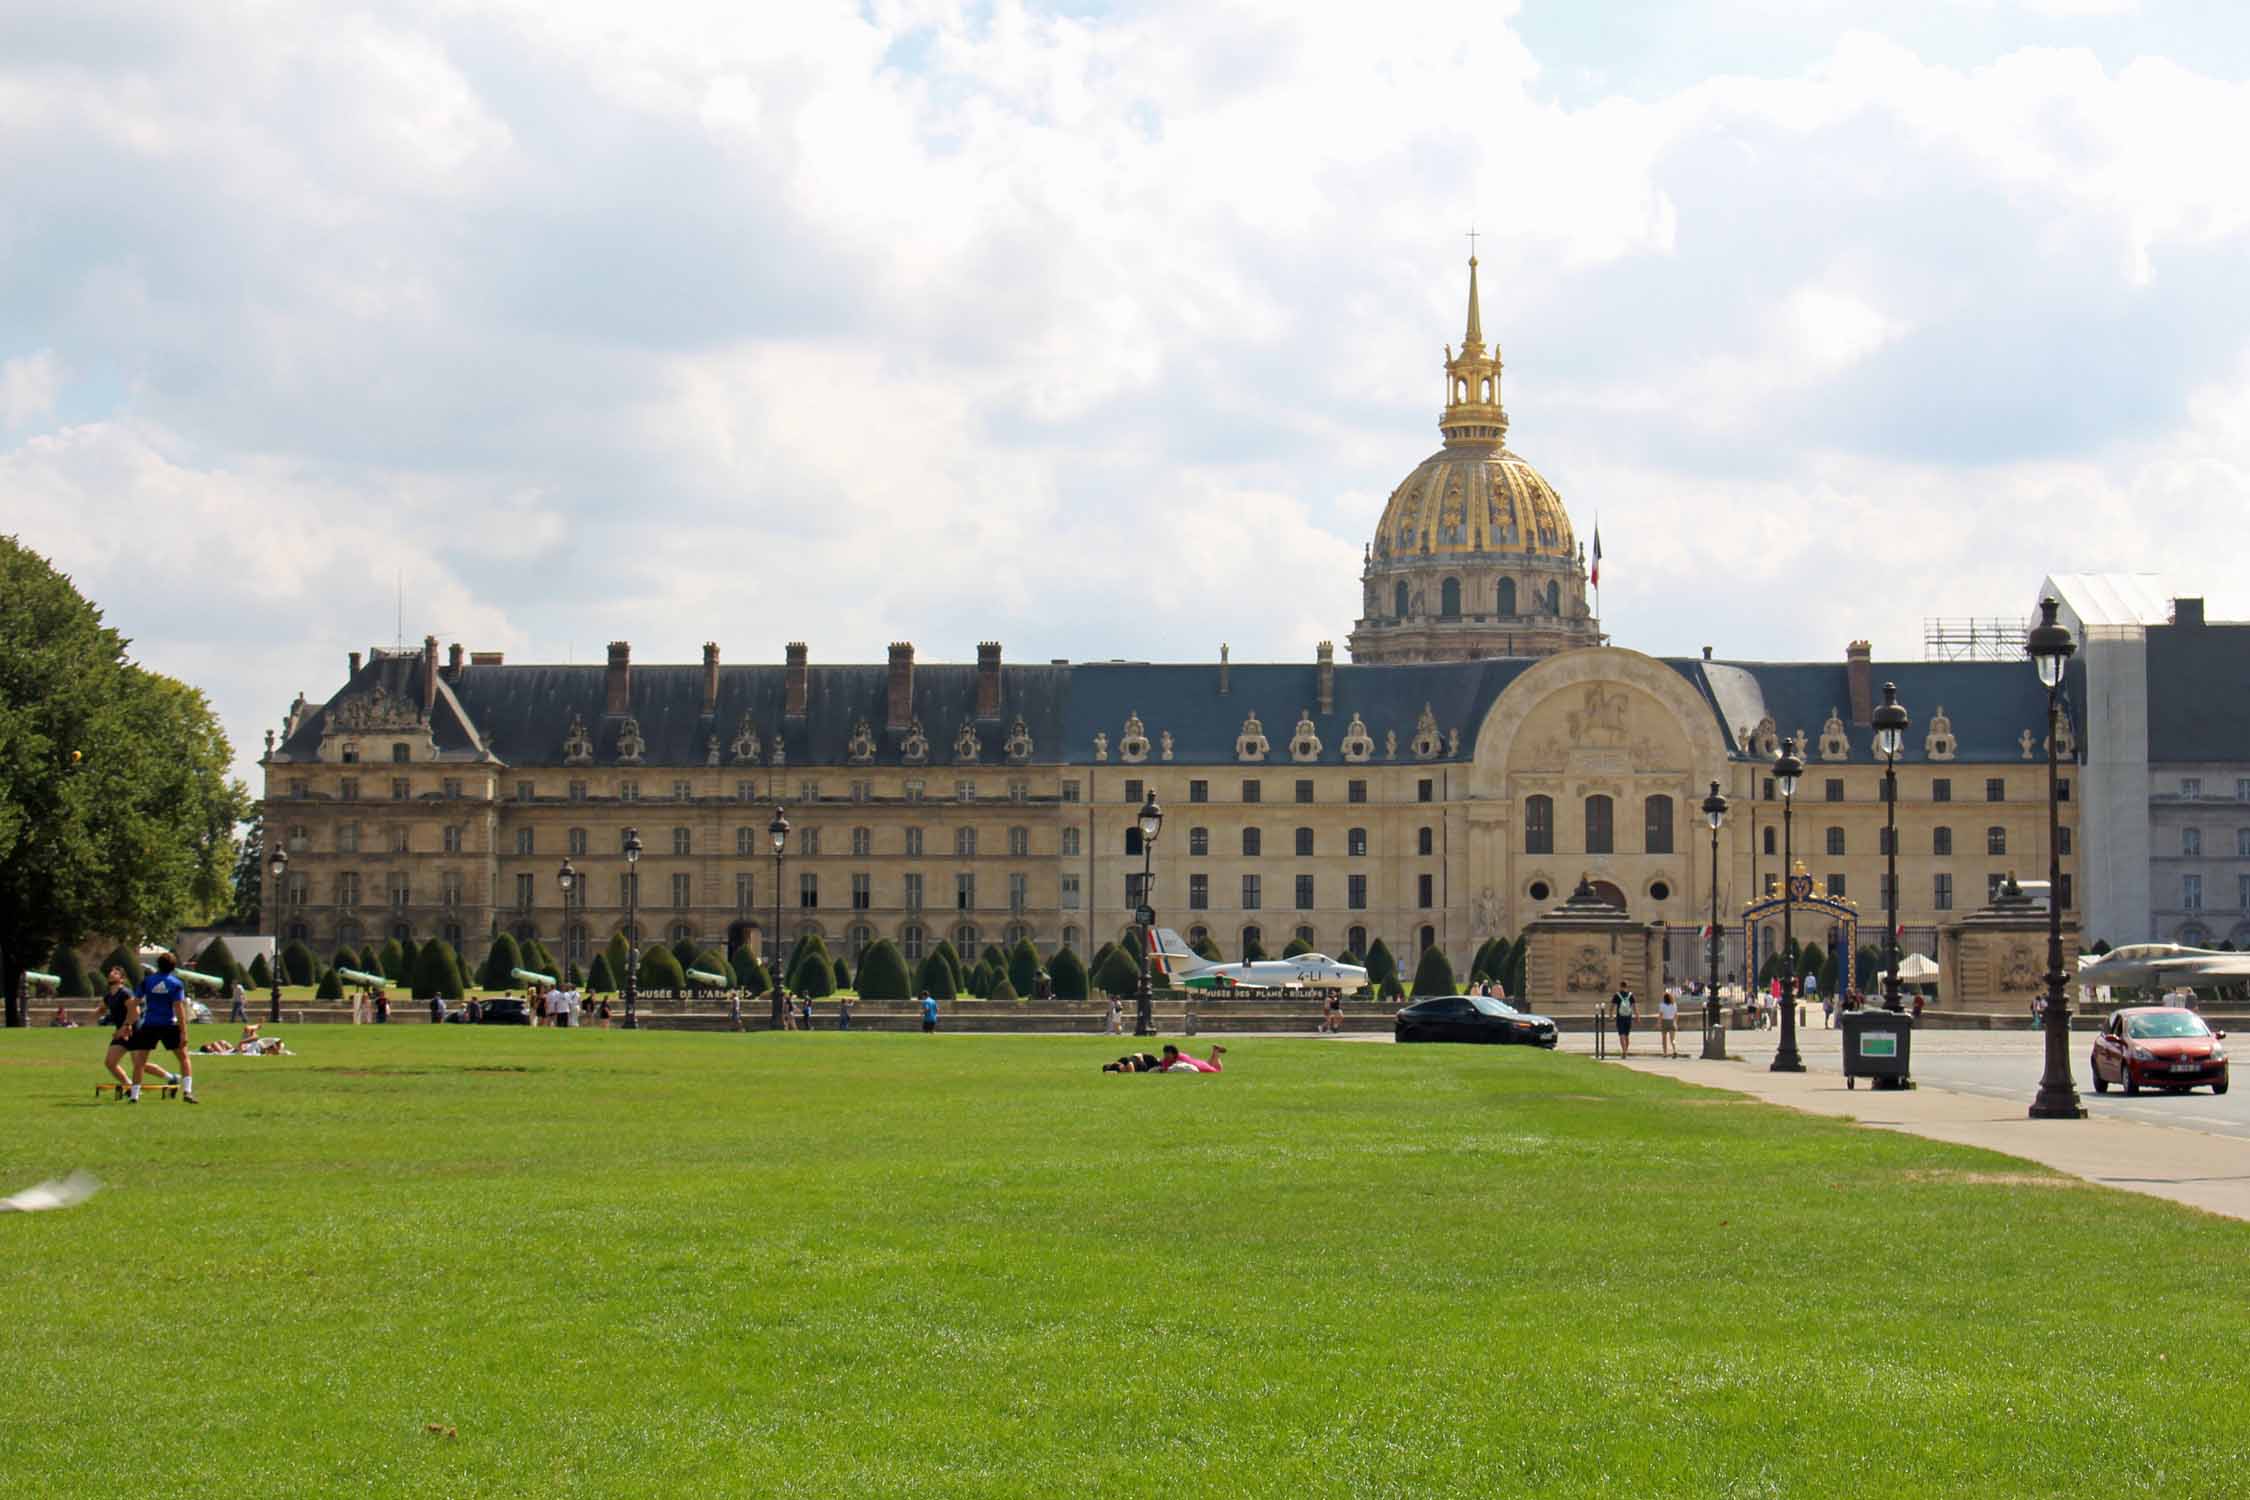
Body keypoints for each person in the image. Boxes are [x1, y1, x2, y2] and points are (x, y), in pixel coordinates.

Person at [128, 953, 197, 1103]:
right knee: (184, 1058)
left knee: (140, 1061)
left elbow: (135, 1002)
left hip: (150, 1024)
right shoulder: (176, 983)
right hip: (169, 1024)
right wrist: (184, 1032)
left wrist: (127, 1023)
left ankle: (134, 1096)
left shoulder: (147, 981)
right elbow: (179, 1009)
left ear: (158, 965)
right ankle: (187, 1092)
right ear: (173, 967)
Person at [1160, 1043, 1226, 1073]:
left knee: (1218, 1071)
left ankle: (1216, 1053)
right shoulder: (1181, 1055)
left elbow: (1165, 1070)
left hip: (1200, 1067)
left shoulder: (1180, 1060)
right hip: (1201, 1063)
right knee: (1209, 1064)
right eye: (1165, 1054)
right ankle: (1215, 1052)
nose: (1166, 1056)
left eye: (1167, 1054)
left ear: (1173, 1054)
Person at [1611, 986, 1636, 1057]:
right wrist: (1637, 1016)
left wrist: (1611, 1015)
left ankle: (1624, 1050)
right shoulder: (1630, 995)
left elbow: (1612, 1006)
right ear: (1626, 987)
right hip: (1628, 1017)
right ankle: (1625, 1051)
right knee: (1627, 1035)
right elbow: (1634, 1007)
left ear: (1620, 986)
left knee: (1621, 1035)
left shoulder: (1617, 995)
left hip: (1620, 1017)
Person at [1658, 989, 1679, 1057]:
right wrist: (1675, 1022)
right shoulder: (1674, 1005)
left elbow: (1660, 1015)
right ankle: (1674, 1050)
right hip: (1672, 1021)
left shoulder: (1662, 1005)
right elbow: (1676, 1015)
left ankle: (1665, 1053)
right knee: (1672, 1039)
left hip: (1664, 1021)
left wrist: (1659, 1023)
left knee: (1664, 1039)